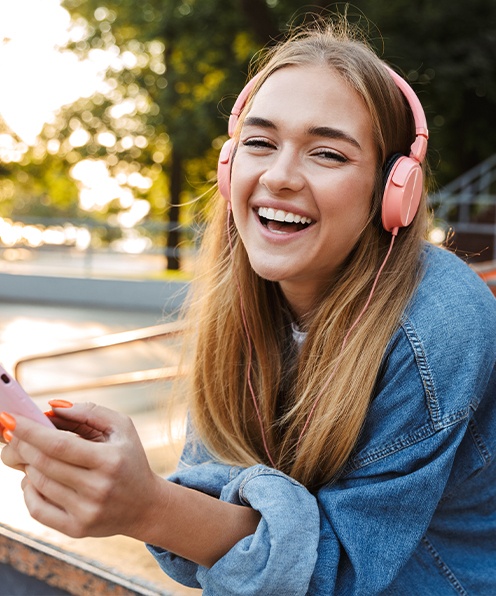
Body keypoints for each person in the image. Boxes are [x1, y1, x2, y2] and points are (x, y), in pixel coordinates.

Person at [1, 18, 496, 596]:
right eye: (260, 143)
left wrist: (150, 508)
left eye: (328, 154)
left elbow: (333, 576)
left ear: (395, 191)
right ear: (230, 165)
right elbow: (221, 523)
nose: (279, 176)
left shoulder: (438, 324)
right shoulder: (247, 303)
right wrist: (125, 485)